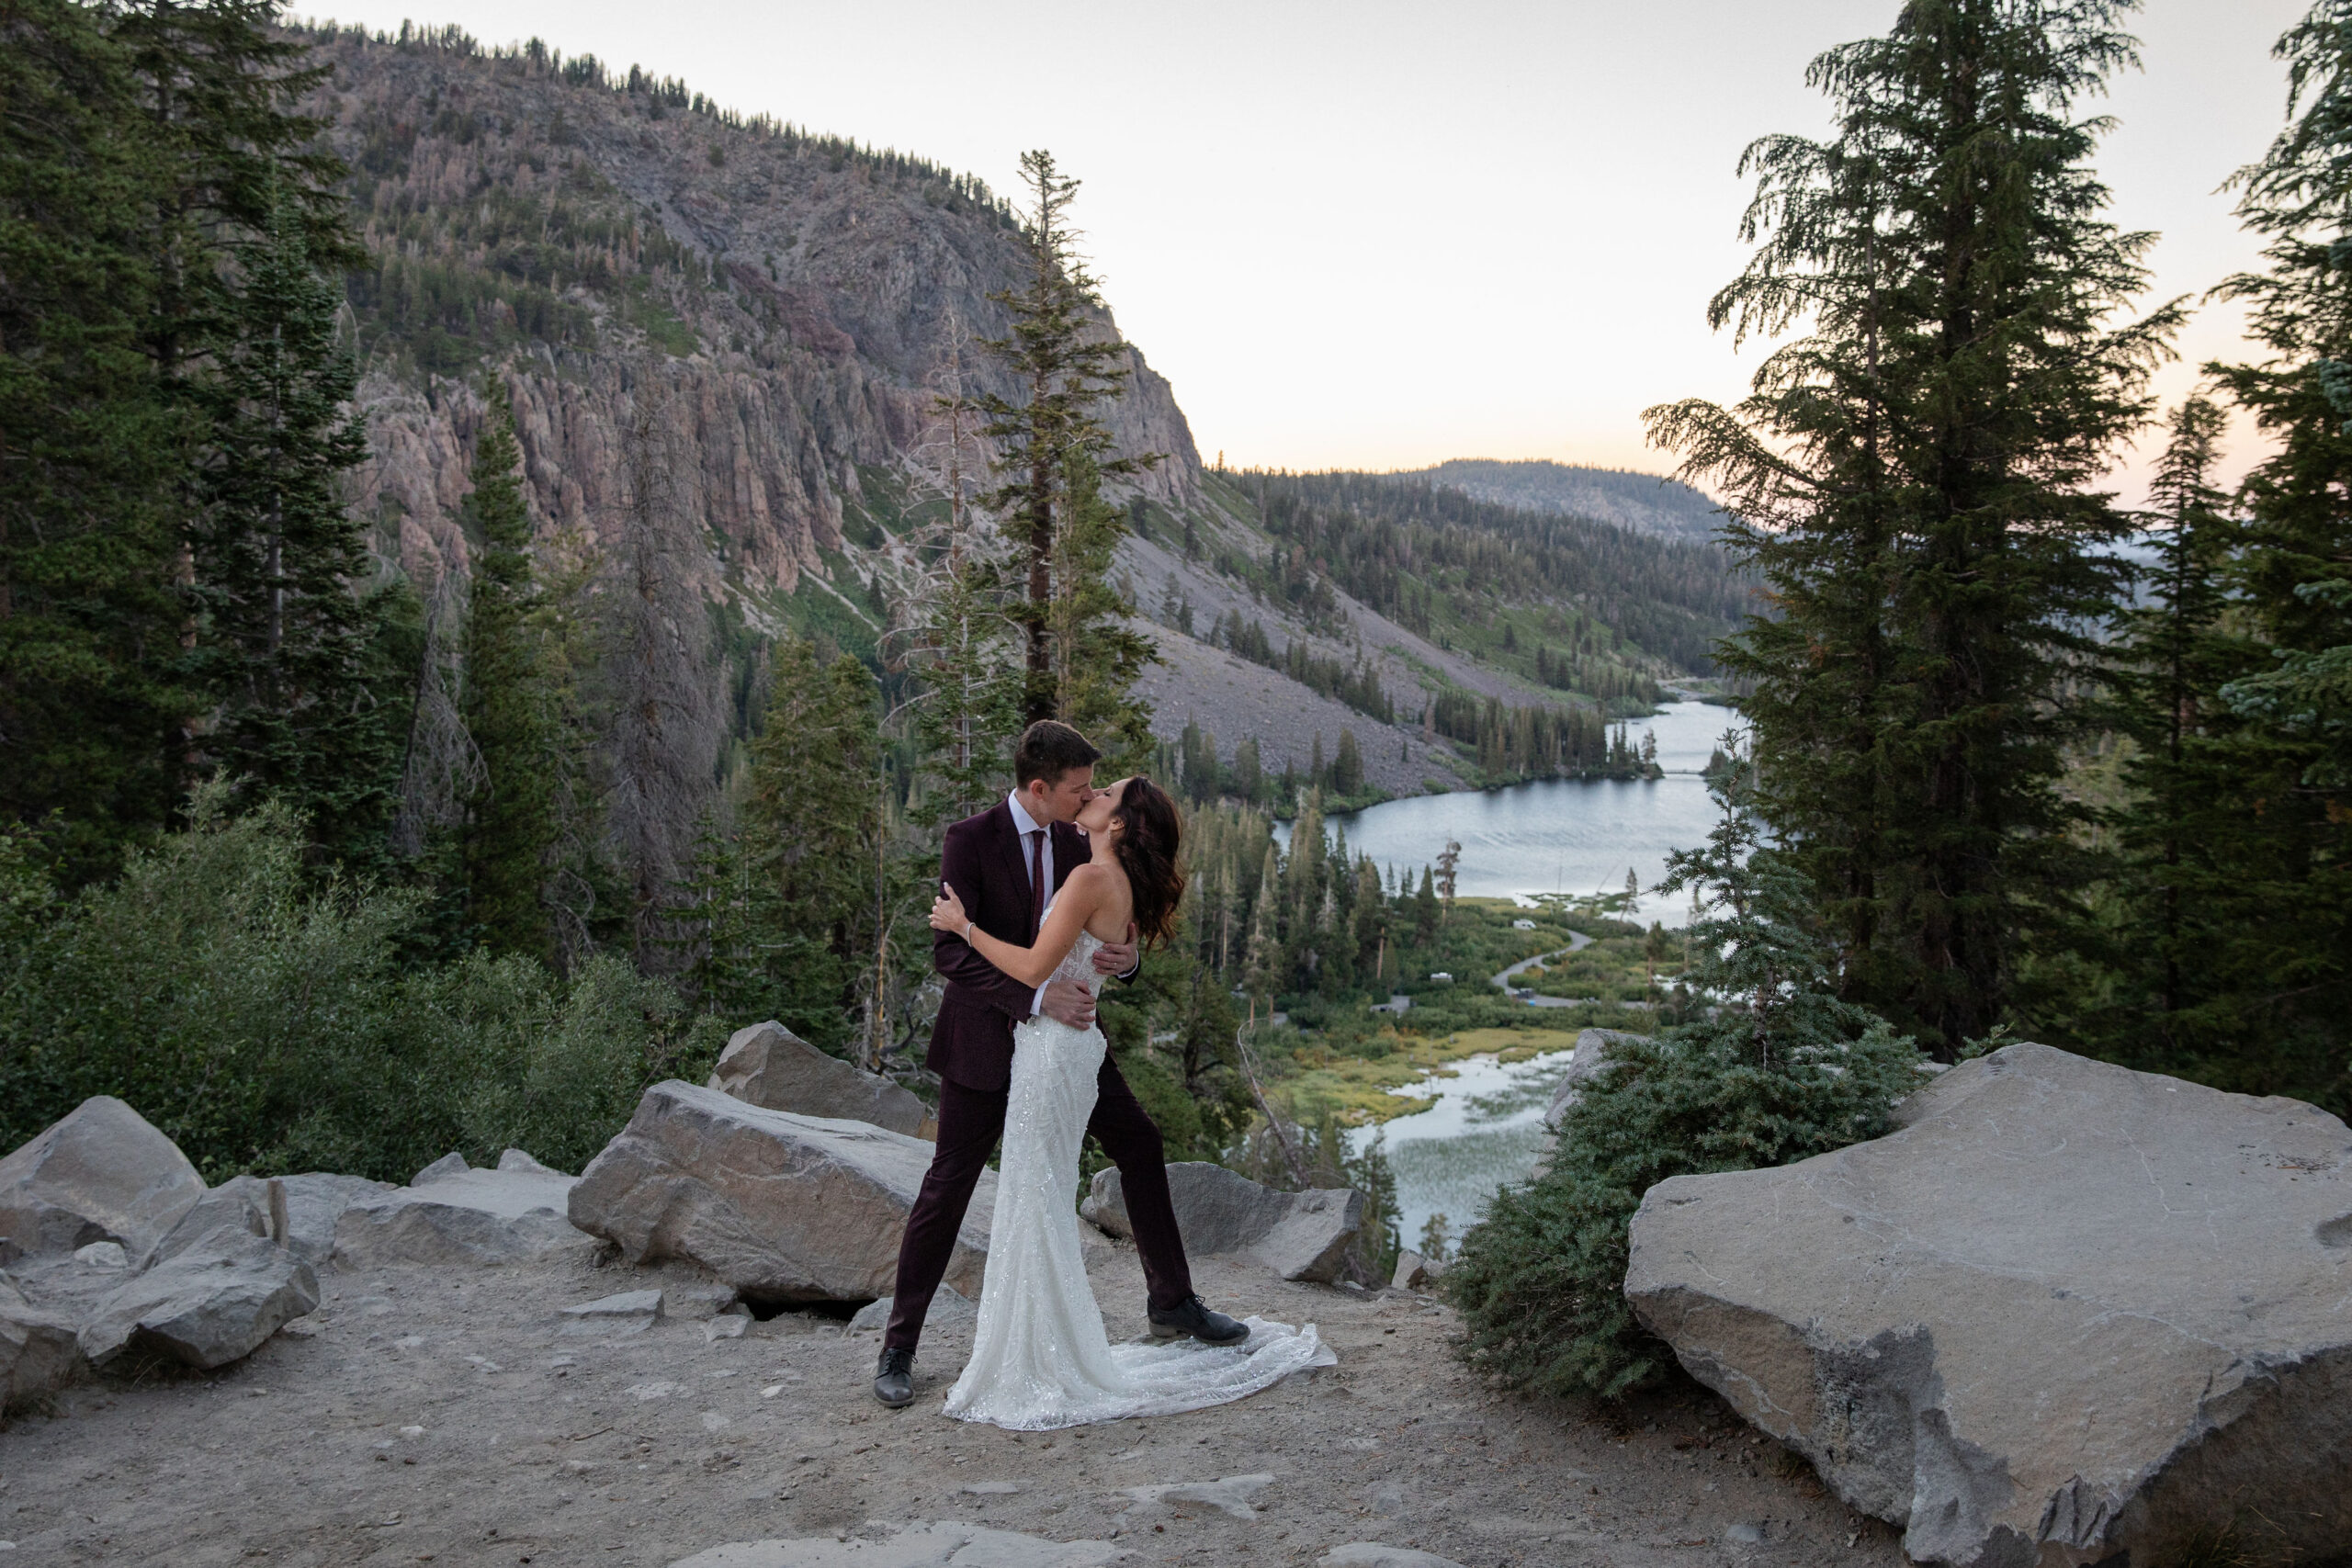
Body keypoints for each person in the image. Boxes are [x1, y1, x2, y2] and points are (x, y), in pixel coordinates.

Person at [874, 721, 1331, 1427]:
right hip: (985, 1041)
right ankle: (898, 1349)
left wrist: (1126, 958)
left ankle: (1172, 1301)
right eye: (1079, 786)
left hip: (1067, 1042)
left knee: (1140, 1143)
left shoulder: (1080, 841)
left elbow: (1099, 921)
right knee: (948, 1185)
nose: (1089, 794)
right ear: (1039, 786)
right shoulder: (969, 839)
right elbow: (948, 954)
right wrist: (1033, 996)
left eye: (1095, 789)